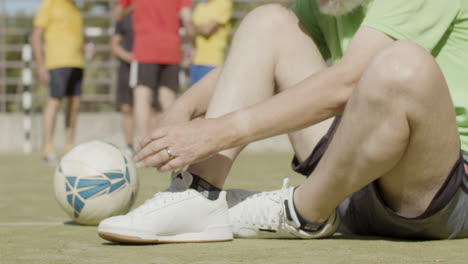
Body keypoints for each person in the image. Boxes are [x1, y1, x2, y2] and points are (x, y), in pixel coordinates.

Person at [98, 0, 468, 244]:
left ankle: (303, 211)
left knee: (402, 65)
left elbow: (349, 81)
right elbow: (256, 56)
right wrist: (183, 108)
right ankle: (197, 194)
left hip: (432, 194)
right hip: (350, 182)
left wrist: (217, 130)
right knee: (269, 21)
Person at [113, 0, 195, 140]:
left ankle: (143, 146)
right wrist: (193, 44)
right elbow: (187, 18)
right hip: (171, 48)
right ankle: (170, 142)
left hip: (145, 48)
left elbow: (117, 13)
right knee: (168, 99)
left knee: (142, 96)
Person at [32, 0, 85, 163]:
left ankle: (69, 147)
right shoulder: (50, 3)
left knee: (74, 104)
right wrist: (40, 64)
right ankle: (48, 148)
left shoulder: (75, 7)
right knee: (54, 102)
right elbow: (36, 35)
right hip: (57, 62)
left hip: (77, 62)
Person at [189, 0, 232, 86]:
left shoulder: (224, 2)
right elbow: (190, 29)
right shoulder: (201, 5)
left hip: (213, 63)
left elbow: (207, 30)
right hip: (195, 62)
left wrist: (196, 28)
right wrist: (201, 28)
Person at [110, 11, 135, 155]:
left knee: (148, 107)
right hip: (127, 67)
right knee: (126, 107)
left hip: (147, 64)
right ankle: (129, 146)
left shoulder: (149, 15)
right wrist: (129, 57)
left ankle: (146, 143)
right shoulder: (123, 18)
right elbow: (114, 45)